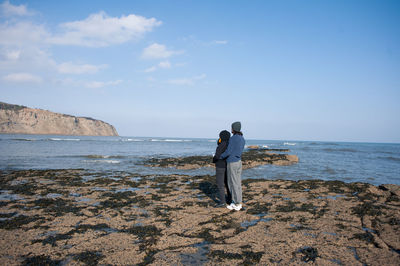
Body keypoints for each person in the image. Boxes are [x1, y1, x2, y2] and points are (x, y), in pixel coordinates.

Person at [219, 121, 245, 211]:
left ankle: (236, 203)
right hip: (239, 162)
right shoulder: (242, 138)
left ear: (234, 129)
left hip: (232, 162)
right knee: (237, 183)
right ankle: (237, 202)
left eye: (232, 128)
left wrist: (220, 156)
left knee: (232, 183)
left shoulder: (233, 138)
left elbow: (228, 151)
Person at [212, 130, 232, 207]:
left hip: (220, 166)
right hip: (227, 165)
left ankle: (222, 202)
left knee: (220, 184)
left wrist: (214, 159)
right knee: (227, 183)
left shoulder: (221, 145)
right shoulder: (229, 144)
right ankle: (229, 199)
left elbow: (217, 156)